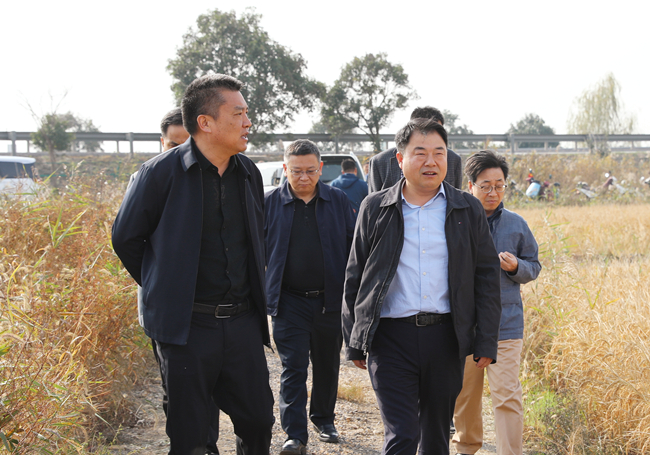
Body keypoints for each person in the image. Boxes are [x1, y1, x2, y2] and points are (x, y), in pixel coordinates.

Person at [112, 74, 274, 455]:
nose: (248, 122)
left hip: (242, 323)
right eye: (239, 114)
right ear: (206, 122)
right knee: (191, 437)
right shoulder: (159, 174)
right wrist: (164, 284)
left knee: (258, 421)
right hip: (187, 328)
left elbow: (257, 238)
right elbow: (125, 238)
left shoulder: (248, 173)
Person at [342, 118, 502, 455]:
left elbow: (486, 276)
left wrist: (486, 338)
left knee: (436, 436)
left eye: (439, 153)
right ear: (400, 159)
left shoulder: (467, 208)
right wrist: (354, 339)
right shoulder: (376, 207)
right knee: (402, 434)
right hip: (390, 338)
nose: (431, 161)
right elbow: (356, 275)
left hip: (446, 339)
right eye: (420, 153)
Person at [128, 109, 222, 455]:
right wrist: (160, 282)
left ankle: (206, 445)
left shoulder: (216, 179)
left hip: (208, 308)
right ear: (161, 143)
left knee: (208, 383)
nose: (182, 151)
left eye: (189, 143)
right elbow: (129, 240)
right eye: (173, 144)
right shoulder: (150, 178)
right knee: (177, 387)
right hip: (167, 310)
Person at [265, 139, 356, 455]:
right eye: (296, 171)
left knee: (327, 364)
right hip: (288, 301)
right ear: (285, 169)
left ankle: (323, 419)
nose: (303, 177)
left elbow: (353, 246)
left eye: (310, 170)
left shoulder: (337, 200)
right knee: (293, 367)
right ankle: (295, 435)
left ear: (320, 168)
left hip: (330, 300)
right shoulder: (269, 203)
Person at [452, 150, 541, 455]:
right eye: (486, 186)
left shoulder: (516, 224)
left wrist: (516, 267)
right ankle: (466, 448)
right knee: (465, 395)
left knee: (506, 396)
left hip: (506, 325)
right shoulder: (455, 221)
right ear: (470, 186)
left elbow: (534, 266)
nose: (493, 192)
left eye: (499, 186)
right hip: (464, 326)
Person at [367, 106, 463, 192]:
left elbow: (456, 198)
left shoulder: (453, 159)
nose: (431, 163)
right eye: (420, 154)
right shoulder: (380, 162)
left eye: (437, 130)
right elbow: (375, 201)